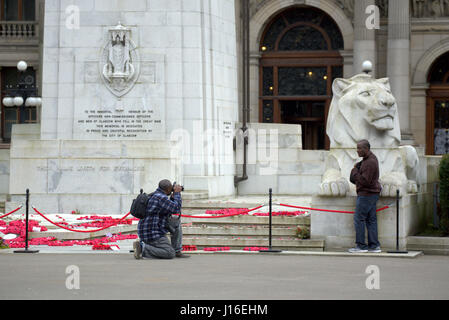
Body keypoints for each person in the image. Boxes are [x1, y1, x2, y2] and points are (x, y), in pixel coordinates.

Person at [133, 179, 189, 259]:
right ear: (167, 189)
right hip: (152, 234)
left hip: (146, 231)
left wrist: (172, 199)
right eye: (171, 188)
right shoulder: (161, 197)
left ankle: (177, 250)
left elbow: (167, 209)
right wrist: (177, 194)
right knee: (169, 253)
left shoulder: (155, 195)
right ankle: (142, 248)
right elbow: (176, 209)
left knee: (175, 221)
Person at [349, 140, 382, 253]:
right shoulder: (367, 160)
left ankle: (361, 246)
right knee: (371, 220)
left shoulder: (369, 162)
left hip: (366, 195)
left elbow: (365, 181)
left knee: (359, 219)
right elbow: (356, 179)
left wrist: (354, 171)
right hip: (371, 194)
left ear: (366, 149)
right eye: (357, 148)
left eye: (359, 148)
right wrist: (356, 172)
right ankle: (374, 246)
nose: (357, 151)